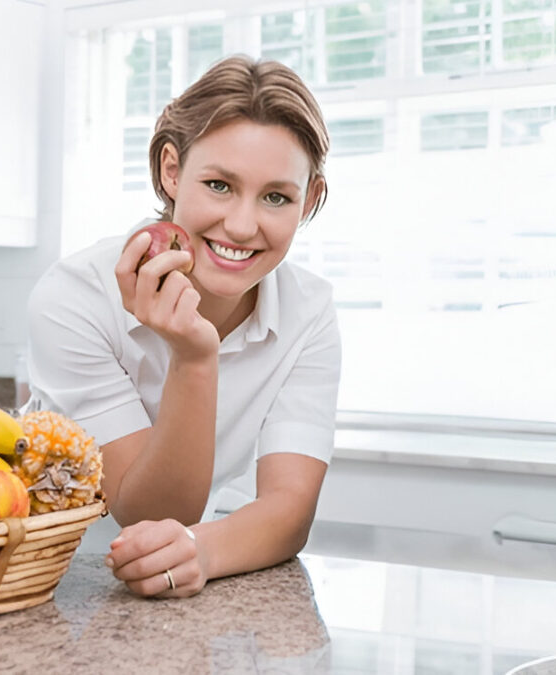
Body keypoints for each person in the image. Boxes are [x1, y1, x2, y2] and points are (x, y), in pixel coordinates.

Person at [25, 55, 340, 597]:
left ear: (308, 199)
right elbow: (145, 513)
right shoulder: (74, 297)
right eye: (219, 185)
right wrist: (195, 358)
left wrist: (204, 549)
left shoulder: (309, 311)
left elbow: (289, 509)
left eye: (276, 197)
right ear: (172, 170)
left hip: (185, 596)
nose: (241, 226)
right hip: (51, 588)